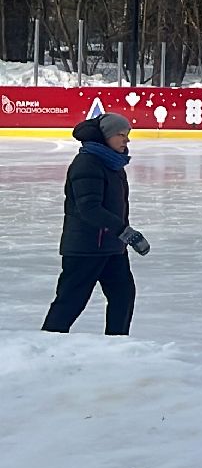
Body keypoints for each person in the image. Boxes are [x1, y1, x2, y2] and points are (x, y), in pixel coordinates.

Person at [42, 112, 149, 336]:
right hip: (86, 248)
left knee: (123, 296)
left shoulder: (112, 163)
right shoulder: (88, 163)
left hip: (111, 247)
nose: (126, 140)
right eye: (121, 135)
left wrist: (121, 235)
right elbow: (89, 208)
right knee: (71, 301)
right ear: (105, 136)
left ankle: (116, 344)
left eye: (127, 135)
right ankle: (46, 344)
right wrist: (126, 233)